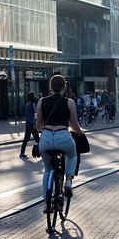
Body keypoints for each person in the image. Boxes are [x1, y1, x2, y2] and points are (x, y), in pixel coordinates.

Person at [36, 75, 84, 205]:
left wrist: (43, 131)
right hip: (63, 136)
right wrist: (80, 133)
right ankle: (68, 181)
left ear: (51, 87)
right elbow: (74, 125)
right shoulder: (70, 102)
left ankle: (46, 204)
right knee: (73, 155)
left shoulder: (41, 101)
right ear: (64, 87)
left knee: (47, 169)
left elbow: (38, 125)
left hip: (46, 137)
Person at [20, 92, 40, 159]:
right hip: (29, 125)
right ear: (29, 98)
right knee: (26, 139)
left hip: (33, 125)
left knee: (37, 139)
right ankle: (22, 153)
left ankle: (41, 152)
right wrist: (33, 123)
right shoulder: (28, 105)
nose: (34, 97)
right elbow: (28, 116)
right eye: (33, 96)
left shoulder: (34, 104)